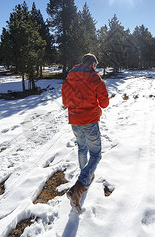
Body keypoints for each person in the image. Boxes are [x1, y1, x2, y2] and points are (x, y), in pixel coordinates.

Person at [61, 53, 109, 212]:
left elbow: (65, 102)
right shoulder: (95, 79)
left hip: (75, 120)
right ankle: (80, 185)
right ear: (93, 64)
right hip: (89, 121)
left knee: (82, 148)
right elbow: (104, 103)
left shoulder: (69, 78)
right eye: (95, 66)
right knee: (96, 154)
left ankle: (85, 176)